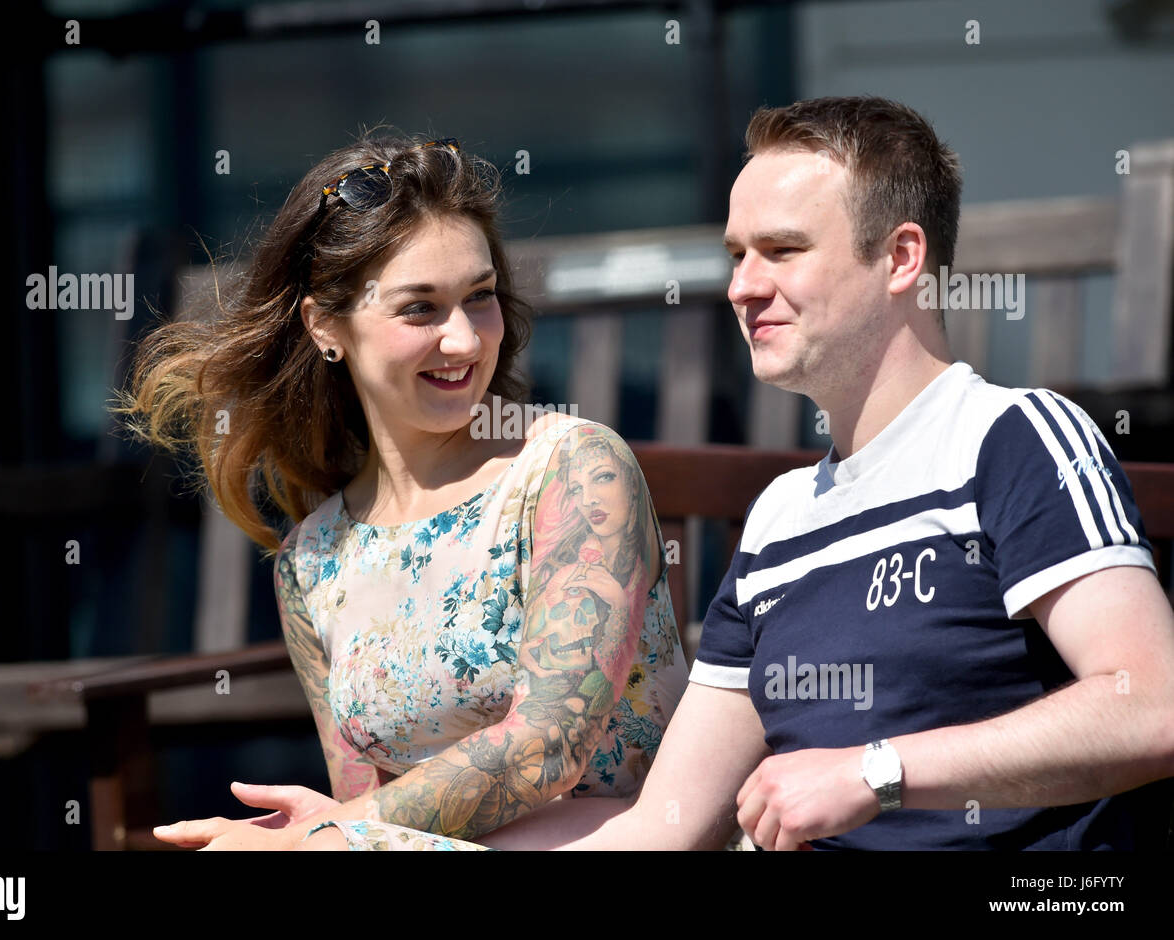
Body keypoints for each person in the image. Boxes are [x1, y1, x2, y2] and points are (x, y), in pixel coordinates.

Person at [479, 95, 1174, 851]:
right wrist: (381, 838)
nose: (742, 286)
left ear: (902, 258)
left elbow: (1154, 707)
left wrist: (876, 774)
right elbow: (661, 827)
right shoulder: (780, 517)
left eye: (781, 251)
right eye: (735, 255)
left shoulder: (1009, 440)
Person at [115, 132, 688, 851]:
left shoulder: (572, 471)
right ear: (327, 327)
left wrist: (322, 836)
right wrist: (325, 834)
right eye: (421, 309)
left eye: (479, 299)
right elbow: (373, 810)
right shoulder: (313, 562)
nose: (465, 341)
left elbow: (550, 745)